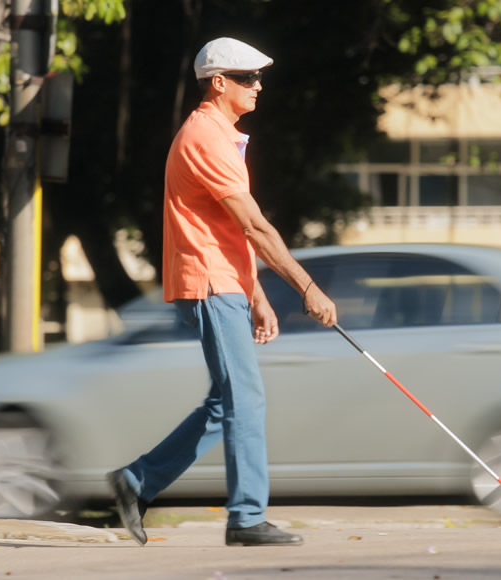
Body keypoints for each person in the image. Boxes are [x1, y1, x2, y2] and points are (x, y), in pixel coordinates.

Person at [107, 37, 338, 548]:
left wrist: (255, 293)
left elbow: (229, 229)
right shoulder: (206, 138)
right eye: (248, 78)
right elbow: (254, 227)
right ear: (218, 83)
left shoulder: (222, 135)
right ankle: (247, 518)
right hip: (210, 284)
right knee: (246, 399)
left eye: (258, 78)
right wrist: (307, 287)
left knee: (228, 401)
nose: (258, 86)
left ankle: (136, 482)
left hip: (226, 282)